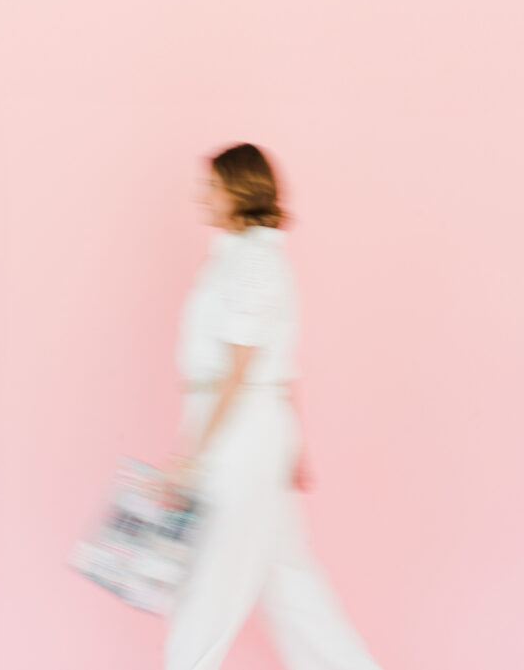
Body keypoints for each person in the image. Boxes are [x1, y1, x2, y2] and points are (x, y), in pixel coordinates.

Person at [161, 143, 384, 670]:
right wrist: (295, 443)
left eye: (212, 187)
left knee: (209, 588)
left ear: (239, 190)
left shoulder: (254, 261)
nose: (203, 198)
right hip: (255, 432)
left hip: (239, 436)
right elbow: (279, 370)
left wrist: (192, 455)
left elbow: (242, 369)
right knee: (293, 588)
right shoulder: (243, 256)